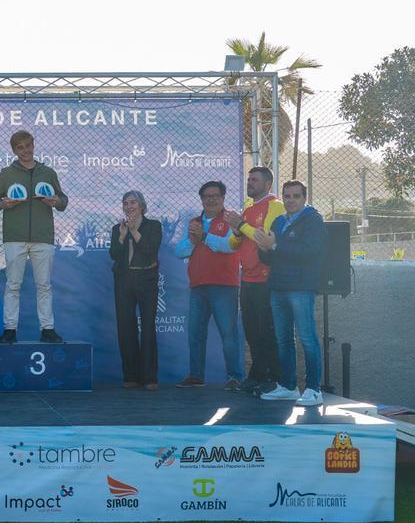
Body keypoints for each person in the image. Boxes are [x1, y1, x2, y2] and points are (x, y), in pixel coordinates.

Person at [0, 130, 67, 344]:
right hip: (15, 236)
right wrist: (3, 203)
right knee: (13, 284)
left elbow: (63, 200)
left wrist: (55, 201)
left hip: (43, 236)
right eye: (20, 147)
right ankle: (10, 329)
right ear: (14, 150)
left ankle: (47, 329)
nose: (25, 151)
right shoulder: (7, 173)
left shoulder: (48, 172)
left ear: (34, 145)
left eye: (28, 146)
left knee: (44, 285)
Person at [257, 180, 327, 406]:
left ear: (304, 198)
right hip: (278, 287)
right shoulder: (279, 221)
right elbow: (268, 259)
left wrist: (275, 246)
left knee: (307, 338)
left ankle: (314, 390)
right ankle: (288, 386)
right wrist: (264, 248)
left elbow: (310, 251)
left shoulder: (313, 220)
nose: (291, 200)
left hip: (301, 287)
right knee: (283, 339)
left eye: (296, 196)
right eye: (287, 196)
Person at [174, 180, 244, 389]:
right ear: (202, 199)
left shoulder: (231, 219)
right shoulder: (195, 221)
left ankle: (235, 377)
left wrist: (203, 237)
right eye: (207, 196)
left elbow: (229, 247)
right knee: (195, 332)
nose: (211, 199)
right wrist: (193, 241)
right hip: (198, 286)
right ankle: (196, 375)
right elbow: (180, 251)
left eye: (215, 196)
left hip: (224, 285)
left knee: (228, 333)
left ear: (223, 198)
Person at [223, 166, 285, 394]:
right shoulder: (248, 208)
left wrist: (241, 225)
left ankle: (275, 378)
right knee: (252, 331)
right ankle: (257, 374)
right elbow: (232, 244)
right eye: (248, 179)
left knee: (268, 331)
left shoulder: (275, 205)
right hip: (247, 279)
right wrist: (237, 231)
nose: (249, 183)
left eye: (255, 180)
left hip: (266, 279)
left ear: (268, 183)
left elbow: (263, 237)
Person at [110, 191, 162, 389]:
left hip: (146, 279)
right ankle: (131, 376)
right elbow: (114, 254)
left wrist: (135, 232)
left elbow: (150, 250)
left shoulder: (153, 226)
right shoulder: (118, 228)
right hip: (124, 280)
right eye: (125, 203)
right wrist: (123, 236)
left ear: (141, 205)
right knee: (126, 328)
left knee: (148, 328)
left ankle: (150, 378)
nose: (128, 206)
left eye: (133, 202)